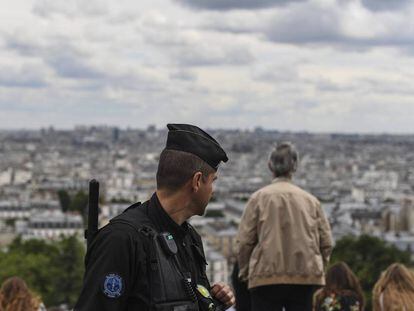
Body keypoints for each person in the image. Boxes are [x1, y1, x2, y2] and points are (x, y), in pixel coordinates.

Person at [75, 124, 235, 310]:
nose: (213, 192)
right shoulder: (121, 239)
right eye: (212, 182)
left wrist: (213, 300)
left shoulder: (190, 238)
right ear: (197, 181)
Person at [237, 142, 333, 311]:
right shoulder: (311, 201)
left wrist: (246, 272)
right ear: (295, 167)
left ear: (270, 166)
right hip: (305, 277)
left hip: (265, 277)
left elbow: (245, 242)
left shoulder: (258, 199)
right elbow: (327, 243)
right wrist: (318, 267)